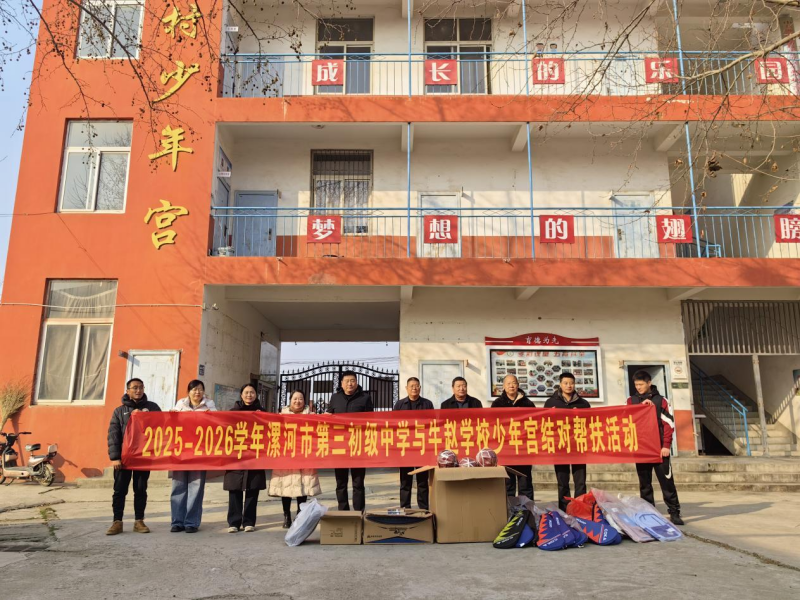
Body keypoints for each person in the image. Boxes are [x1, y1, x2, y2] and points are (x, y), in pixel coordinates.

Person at [627, 370, 684, 526]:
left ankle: (674, 512)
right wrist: (640, 407)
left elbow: (668, 424)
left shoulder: (661, 400)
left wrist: (666, 446)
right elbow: (626, 420)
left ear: (649, 383)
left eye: (641, 384)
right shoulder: (631, 401)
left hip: (659, 449)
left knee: (667, 482)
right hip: (641, 450)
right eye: (636, 385)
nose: (638, 387)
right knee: (644, 484)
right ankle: (648, 513)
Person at [106, 378, 161, 535]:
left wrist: (146, 418)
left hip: (143, 457)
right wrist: (115, 457)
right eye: (135, 388)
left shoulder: (153, 408)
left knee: (141, 490)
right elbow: (113, 435)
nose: (138, 390)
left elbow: (162, 427)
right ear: (128, 390)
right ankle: (117, 522)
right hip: (123, 459)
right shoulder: (119, 411)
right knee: (119, 490)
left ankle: (139, 521)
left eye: (141, 387)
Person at [268, 390, 322, 528]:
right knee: (285, 487)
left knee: (303, 487)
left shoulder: (311, 416)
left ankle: (300, 514)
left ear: (304, 401)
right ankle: (286, 515)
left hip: (304, 455)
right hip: (286, 456)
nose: (298, 401)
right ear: (290, 400)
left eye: (300, 399)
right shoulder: (281, 416)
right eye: (295, 399)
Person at [170, 379, 216, 533]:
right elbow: (171, 422)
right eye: (194, 389)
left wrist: (211, 417)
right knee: (178, 486)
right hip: (181, 452)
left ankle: (191, 522)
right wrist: (172, 415)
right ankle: (177, 522)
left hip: (199, 452)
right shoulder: (180, 404)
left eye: (200, 389)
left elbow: (218, 422)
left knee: (196, 488)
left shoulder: (209, 405)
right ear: (188, 392)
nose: (197, 392)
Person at [326, 370, 373, 511]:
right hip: (339, 446)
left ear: (356, 382)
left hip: (358, 446)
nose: (350, 384)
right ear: (341, 383)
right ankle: (343, 511)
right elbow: (328, 417)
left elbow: (371, 420)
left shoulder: (365, 398)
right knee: (341, 482)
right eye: (347, 381)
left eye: (352, 381)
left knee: (358, 482)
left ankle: (359, 512)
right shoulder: (335, 398)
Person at [544, 372, 591, 511]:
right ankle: (564, 510)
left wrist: (581, 415)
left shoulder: (583, 403)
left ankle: (580, 509)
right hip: (560, 446)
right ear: (560, 384)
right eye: (565, 383)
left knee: (580, 481)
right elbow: (543, 423)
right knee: (562, 481)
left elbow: (591, 423)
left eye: (571, 383)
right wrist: (550, 415)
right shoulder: (551, 403)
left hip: (578, 445)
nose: (569, 386)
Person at [224, 383, 267, 532]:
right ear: (241, 395)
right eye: (246, 392)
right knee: (234, 489)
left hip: (255, 455)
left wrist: (262, 418)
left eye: (252, 392)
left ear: (256, 395)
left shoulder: (262, 412)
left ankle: (249, 522)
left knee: (252, 489)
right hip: (236, 455)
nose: (249, 395)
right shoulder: (232, 413)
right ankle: (234, 522)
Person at [492, 374, 536, 500]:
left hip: (523, 449)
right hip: (506, 449)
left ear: (518, 385)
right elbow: (492, 424)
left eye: (514, 383)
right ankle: (509, 508)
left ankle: (526, 509)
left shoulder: (527, 403)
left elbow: (535, 422)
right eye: (508, 383)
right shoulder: (497, 404)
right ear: (503, 386)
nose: (511, 386)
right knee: (508, 483)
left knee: (525, 482)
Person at [393, 377, 434, 510]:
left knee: (422, 481)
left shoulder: (427, 404)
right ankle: (405, 508)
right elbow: (393, 425)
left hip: (422, 447)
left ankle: (423, 508)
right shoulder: (399, 405)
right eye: (411, 386)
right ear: (406, 388)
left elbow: (433, 424)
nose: (414, 388)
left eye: (416, 386)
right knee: (405, 481)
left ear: (420, 388)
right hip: (405, 448)